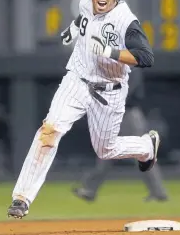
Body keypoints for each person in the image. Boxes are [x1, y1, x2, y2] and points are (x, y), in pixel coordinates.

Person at [7, 0, 160, 219]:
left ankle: (146, 147)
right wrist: (73, 30)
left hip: (109, 91)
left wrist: (110, 52)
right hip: (76, 81)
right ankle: (22, 197)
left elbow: (146, 57)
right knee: (50, 130)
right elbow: (82, 18)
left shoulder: (126, 21)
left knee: (105, 150)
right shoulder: (85, 2)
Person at [72, 69, 168, 202]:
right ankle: (89, 189)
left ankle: (158, 192)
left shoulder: (131, 66)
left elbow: (125, 91)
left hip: (128, 115)